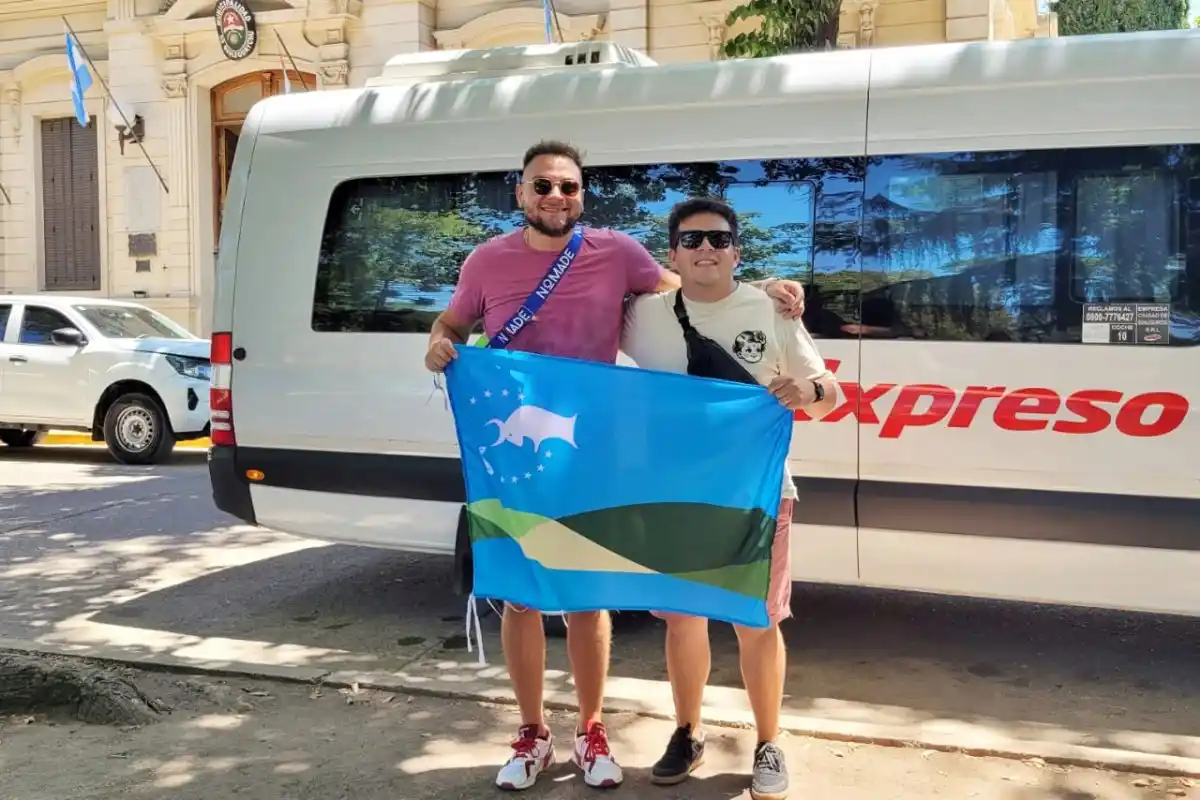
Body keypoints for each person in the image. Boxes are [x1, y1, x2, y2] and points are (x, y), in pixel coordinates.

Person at [424, 141, 806, 792]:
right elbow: (453, 324)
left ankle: (591, 730)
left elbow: (692, 298)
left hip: (592, 453)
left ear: (582, 195)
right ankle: (532, 732)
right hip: (519, 456)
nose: (554, 197)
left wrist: (765, 292)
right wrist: (438, 344)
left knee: (586, 595)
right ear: (520, 193)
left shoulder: (616, 253)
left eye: (567, 187)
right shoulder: (485, 262)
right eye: (541, 186)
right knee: (520, 595)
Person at [620, 197, 839, 800]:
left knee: (756, 621)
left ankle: (769, 741)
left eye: (718, 239)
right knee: (683, 620)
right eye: (691, 241)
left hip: (757, 491)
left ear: (736, 251)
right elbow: (570, 344)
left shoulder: (770, 307)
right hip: (674, 496)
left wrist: (807, 388)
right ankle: (687, 731)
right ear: (673, 255)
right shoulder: (642, 316)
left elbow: (831, 393)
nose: (706, 250)